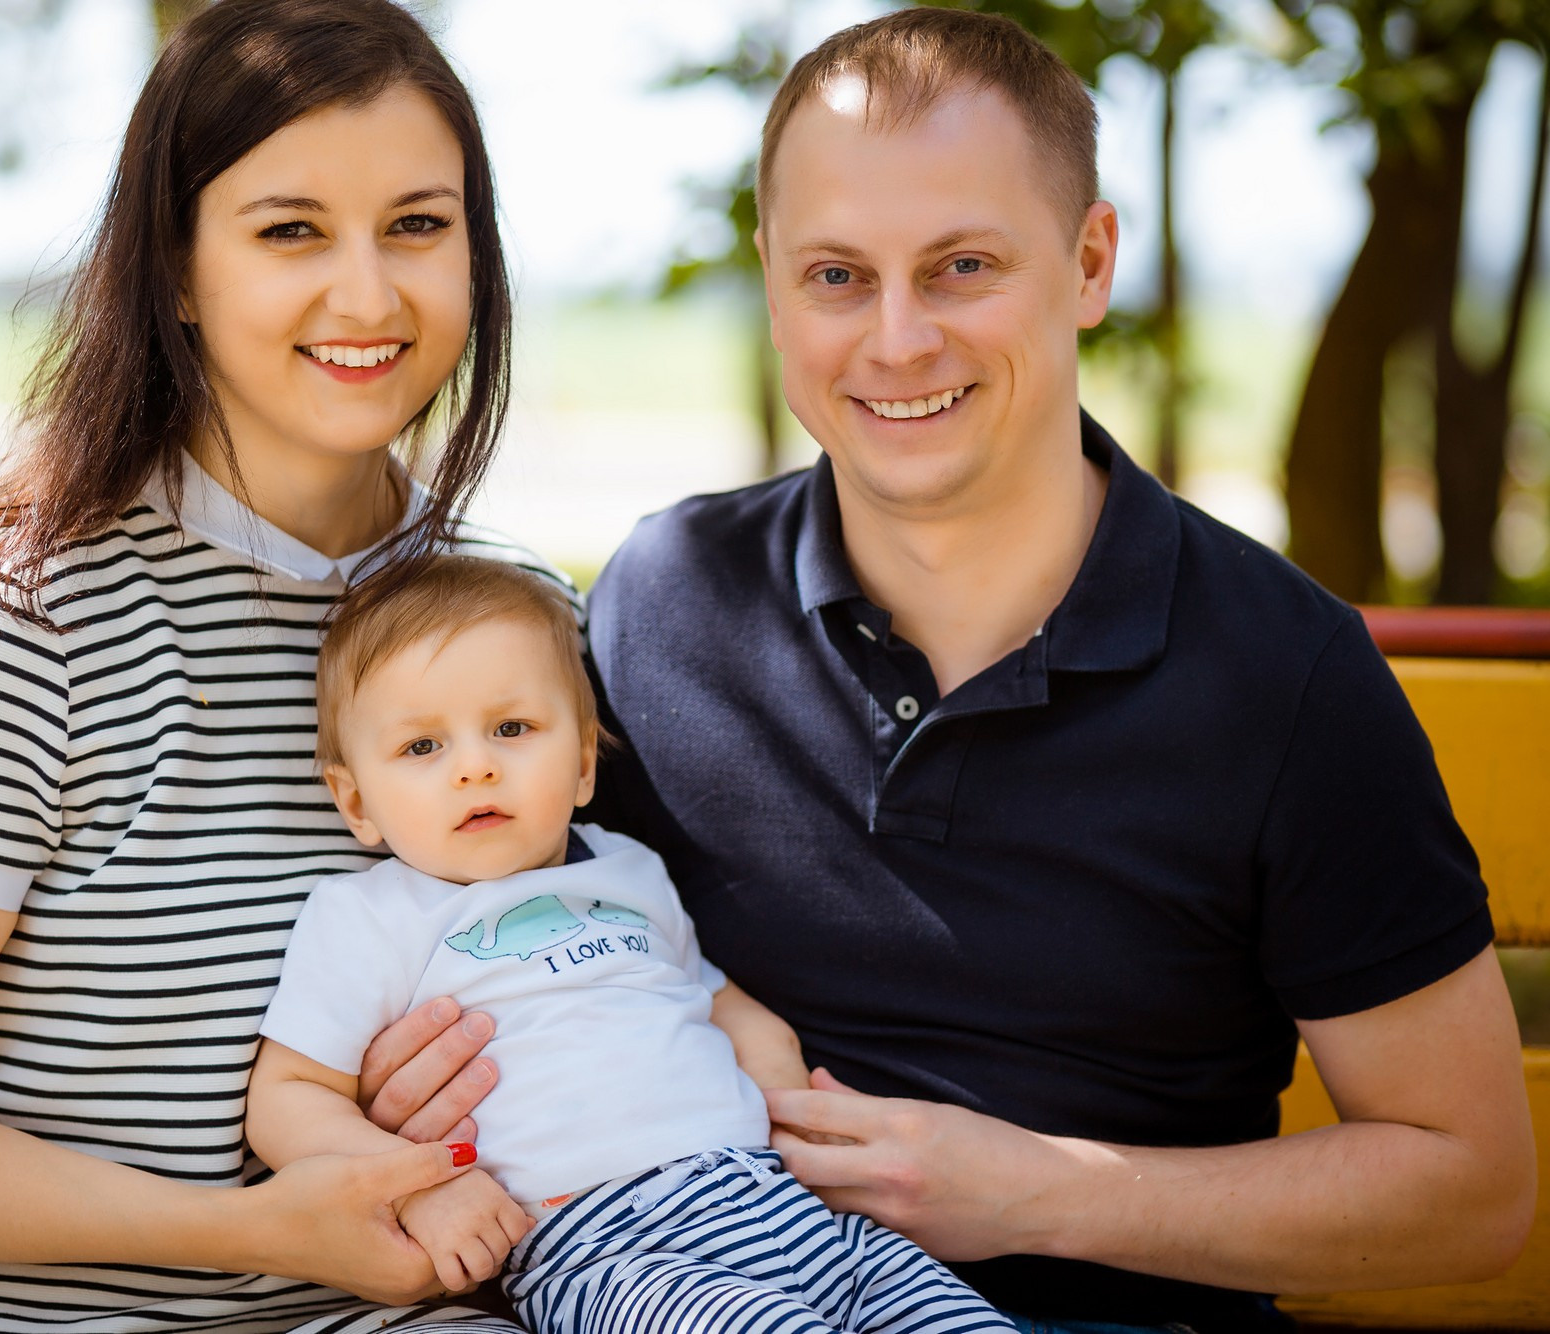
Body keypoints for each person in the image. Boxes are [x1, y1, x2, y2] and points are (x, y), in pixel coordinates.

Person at [571, 9, 1537, 1334]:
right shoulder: (661, 599)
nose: (898, 339)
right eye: (838, 274)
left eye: (962, 265)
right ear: (774, 277)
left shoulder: (1284, 671)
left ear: (1089, 263)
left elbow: (1471, 1186)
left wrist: (1043, 1193)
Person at [0, 3, 563, 1330]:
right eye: (291, 229)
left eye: (417, 224)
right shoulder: (18, 628)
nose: (369, 294)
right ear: (176, 267)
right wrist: (239, 1229)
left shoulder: (520, 622)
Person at [247, 553, 1015, 1334]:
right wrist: (417, 1185)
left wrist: (778, 1073)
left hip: (784, 1204)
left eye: (512, 729)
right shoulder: (372, 917)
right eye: (422, 748)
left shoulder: (627, 867)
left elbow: (710, 993)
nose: (475, 767)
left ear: (583, 762)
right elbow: (287, 1101)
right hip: (610, 1249)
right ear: (355, 802)